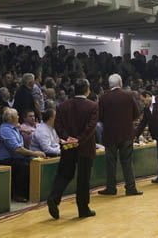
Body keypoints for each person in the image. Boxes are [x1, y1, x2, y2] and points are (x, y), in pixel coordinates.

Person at [47, 78, 98, 219]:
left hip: (68, 146)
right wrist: (79, 139)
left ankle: (53, 198)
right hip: (85, 146)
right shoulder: (92, 106)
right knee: (83, 178)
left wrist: (67, 137)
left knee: (64, 174)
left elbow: (57, 125)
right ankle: (83, 209)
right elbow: (91, 127)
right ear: (87, 90)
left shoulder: (62, 106)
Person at [97, 74, 142, 196]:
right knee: (127, 162)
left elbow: (99, 117)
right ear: (121, 83)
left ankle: (111, 188)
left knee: (111, 163)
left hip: (110, 135)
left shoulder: (104, 98)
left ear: (109, 85)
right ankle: (131, 188)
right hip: (126, 133)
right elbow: (136, 113)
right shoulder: (129, 95)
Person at [0, 108, 44, 202]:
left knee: (34, 162)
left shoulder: (15, 128)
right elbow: (17, 149)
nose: (18, 117)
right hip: (6, 159)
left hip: (17, 157)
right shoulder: (5, 130)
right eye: (17, 115)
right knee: (24, 166)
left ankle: (33, 191)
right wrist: (34, 153)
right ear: (12, 118)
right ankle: (18, 194)